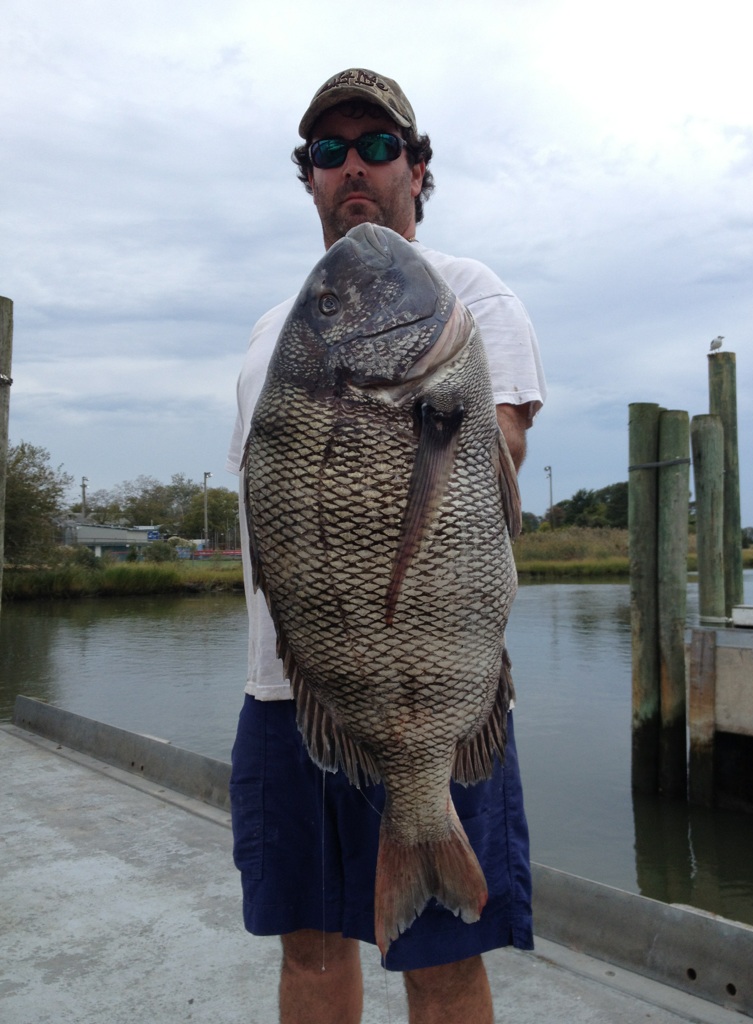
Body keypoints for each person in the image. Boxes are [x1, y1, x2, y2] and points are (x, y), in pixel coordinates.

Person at [226, 68, 547, 1024]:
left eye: (376, 146)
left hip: (437, 688)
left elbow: (501, 447)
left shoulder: (471, 295)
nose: (352, 165)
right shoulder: (268, 334)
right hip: (287, 695)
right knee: (310, 951)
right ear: (310, 177)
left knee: (441, 963)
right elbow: (270, 514)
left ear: (417, 168)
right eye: (329, 152)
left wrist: (412, 417)